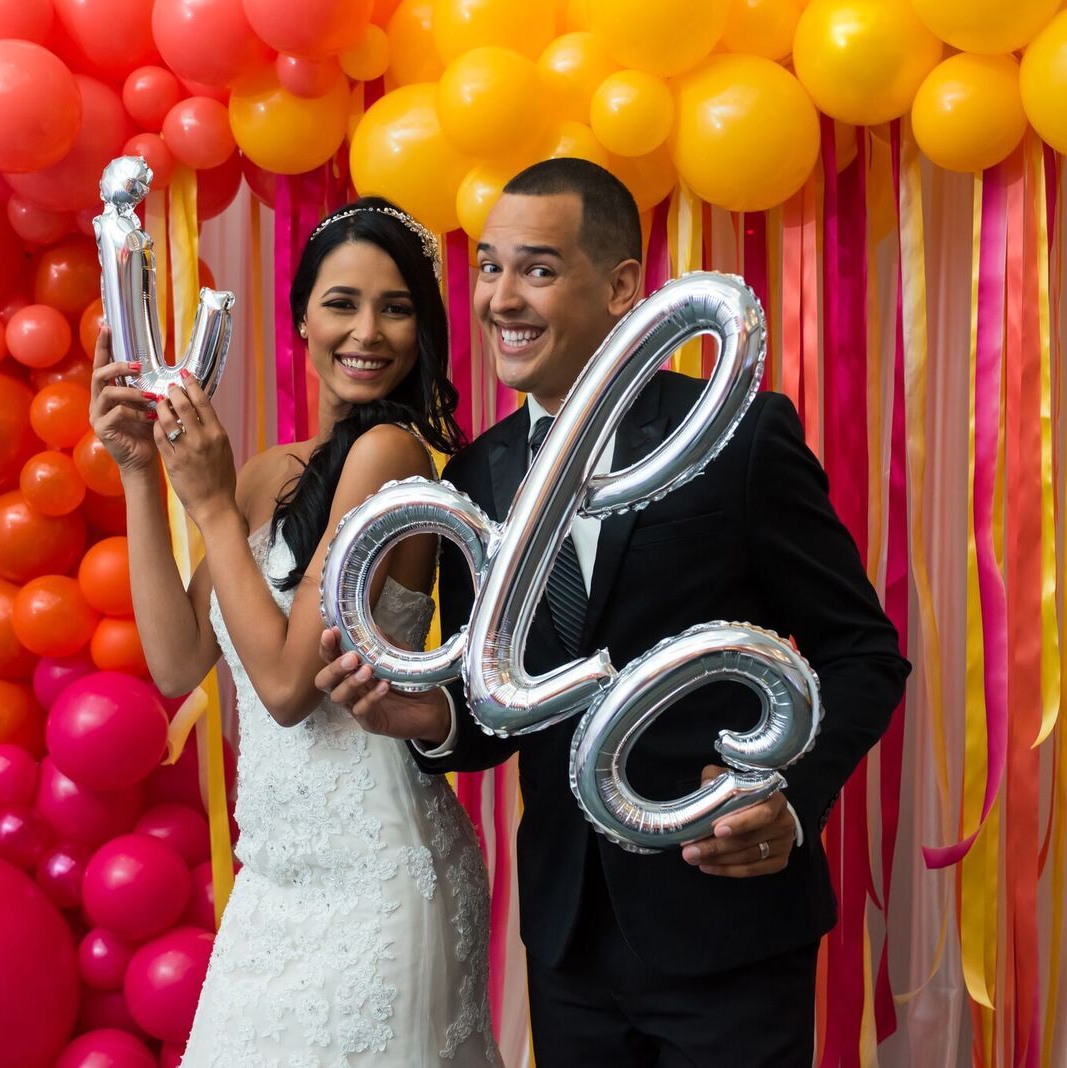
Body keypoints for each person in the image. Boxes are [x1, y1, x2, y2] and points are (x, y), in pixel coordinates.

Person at [316, 159, 911, 1066]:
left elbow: (863, 652)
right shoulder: (479, 475)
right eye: (489, 268)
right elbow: (495, 706)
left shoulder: (740, 434)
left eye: (540, 270)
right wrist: (423, 722)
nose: (502, 300)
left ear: (624, 286)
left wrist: (791, 800)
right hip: (568, 943)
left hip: (728, 931)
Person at [88, 196, 502, 1067]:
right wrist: (139, 476)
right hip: (274, 886)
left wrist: (205, 500)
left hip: (378, 878)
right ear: (302, 319)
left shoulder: (391, 455)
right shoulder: (271, 470)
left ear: (424, 330)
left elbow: (282, 688)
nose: (368, 331)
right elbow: (175, 661)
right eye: (343, 303)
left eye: (397, 307)